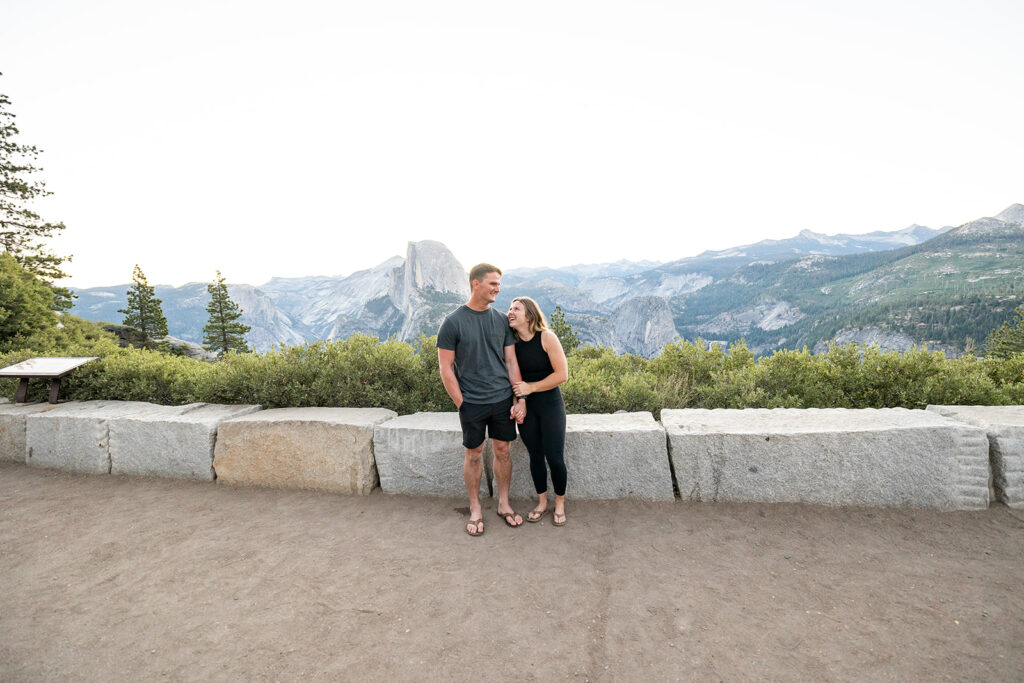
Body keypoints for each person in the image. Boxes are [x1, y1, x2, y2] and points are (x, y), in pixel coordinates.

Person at [438, 263, 528, 536]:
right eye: (493, 284)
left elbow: (511, 361)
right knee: (474, 454)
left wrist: (519, 398)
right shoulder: (452, 322)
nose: (498, 290)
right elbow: (445, 368)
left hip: (502, 399)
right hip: (472, 404)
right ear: (475, 284)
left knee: (503, 451)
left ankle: (503, 504)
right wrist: (461, 403)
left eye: (499, 284)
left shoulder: (501, 320)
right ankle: (475, 508)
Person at [507, 296, 569, 526]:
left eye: (516, 309)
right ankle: (542, 502)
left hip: (551, 406)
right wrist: (518, 402)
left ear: (529, 315)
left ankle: (559, 503)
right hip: (527, 408)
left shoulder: (547, 337)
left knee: (554, 457)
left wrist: (531, 388)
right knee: (535, 456)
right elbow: (515, 379)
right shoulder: (512, 344)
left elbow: (562, 375)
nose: (510, 312)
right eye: (510, 308)